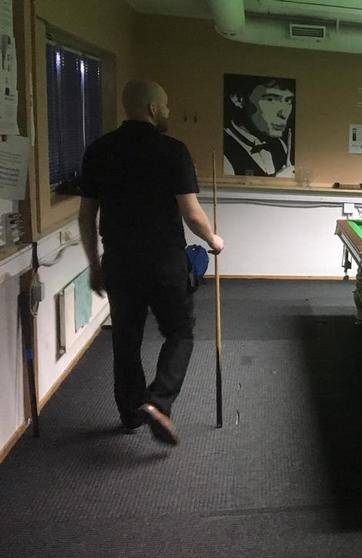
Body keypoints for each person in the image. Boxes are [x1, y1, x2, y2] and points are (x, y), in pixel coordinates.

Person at [78, 80, 225, 446]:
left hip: (119, 263)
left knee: (126, 340)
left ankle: (131, 414)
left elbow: (86, 217)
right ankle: (158, 402)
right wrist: (213, 239)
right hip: (164, 263)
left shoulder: (98, 150)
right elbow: (191, 213)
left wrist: (94, 266)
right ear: (153, 109)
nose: (169, 112)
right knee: (180, 332)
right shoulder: (172, 150)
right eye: (167, 106)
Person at [223, 75, 295, 178]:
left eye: (288, 101)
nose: (284, 114)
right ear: (239, 99)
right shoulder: (223, 151)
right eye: (270, 100)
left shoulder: (280, 145)